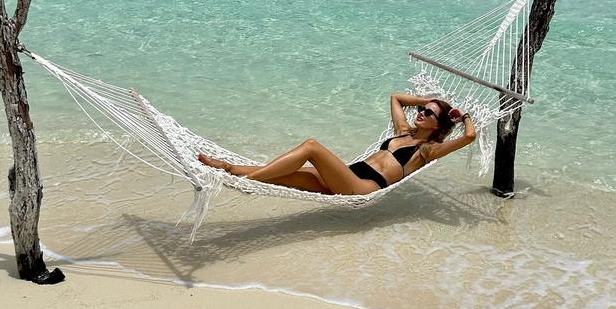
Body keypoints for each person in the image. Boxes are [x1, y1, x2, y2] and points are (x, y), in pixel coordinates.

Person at [198, 93, 476, 195]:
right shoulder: (403, 132)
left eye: (428, 113)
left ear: (438, 126)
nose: (421, 113)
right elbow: (395, 98)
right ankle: (226, 167)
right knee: (281, 175)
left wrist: (462, 116)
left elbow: (468, 137)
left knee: (311, 147)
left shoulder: (426, 151)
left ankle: (249, 183)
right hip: (346, 174)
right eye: (422, 109)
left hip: (360, 188)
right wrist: (428, 98)